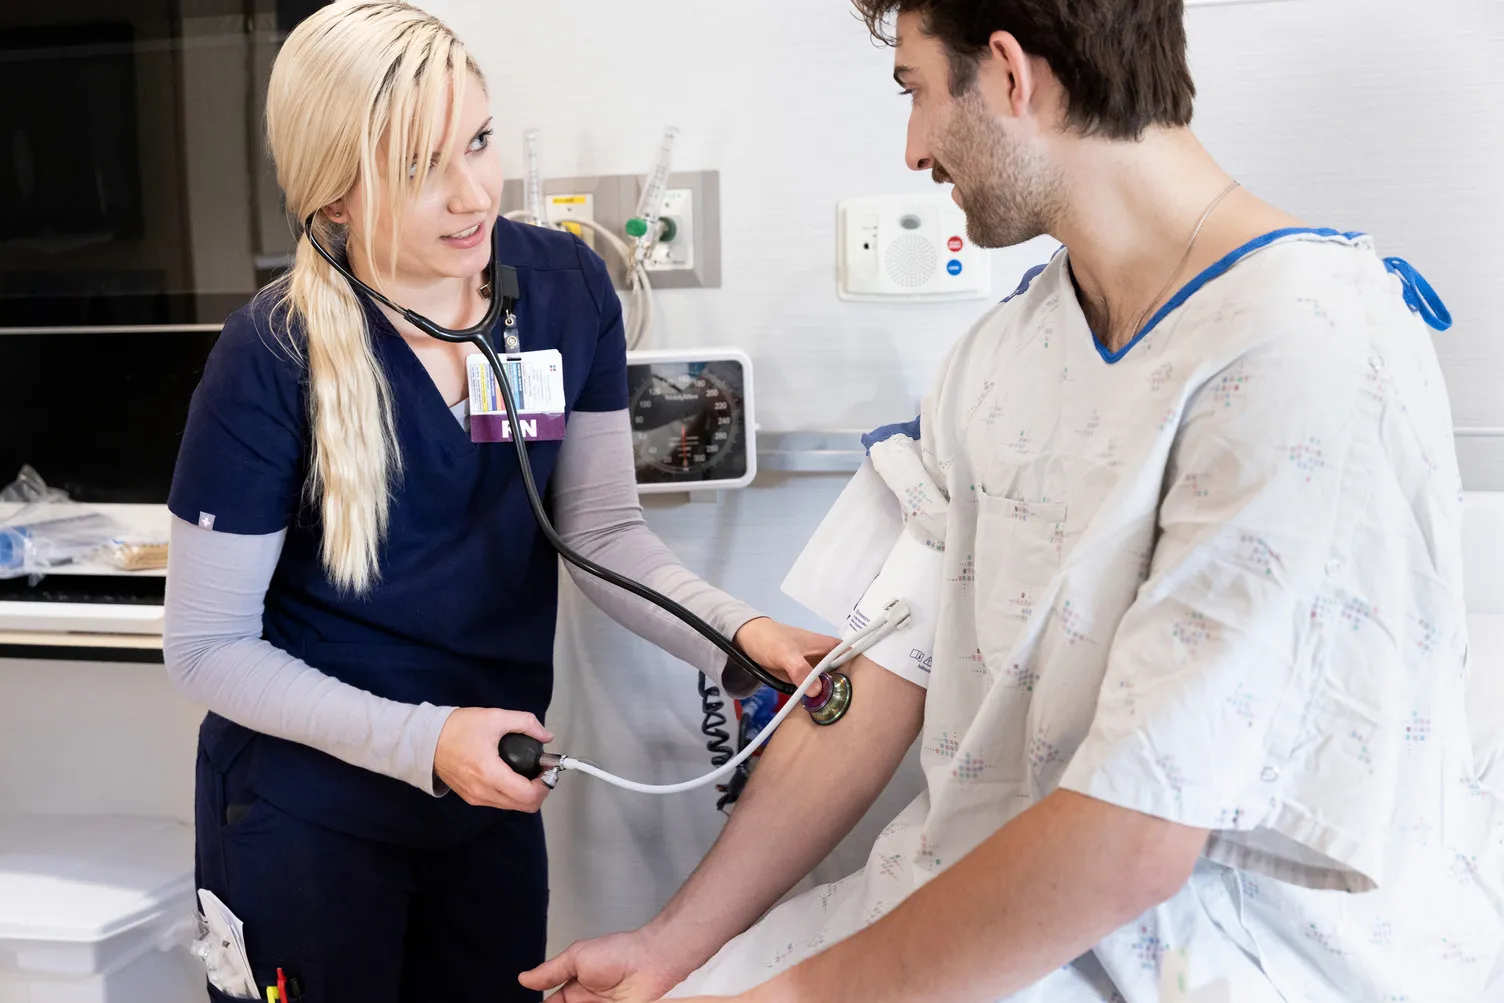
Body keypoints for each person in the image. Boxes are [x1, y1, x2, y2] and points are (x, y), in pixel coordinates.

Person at [521, 1, 1503, 1000]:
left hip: (1224, 948)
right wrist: (674, 947)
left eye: (914, 91)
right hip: (969, 891)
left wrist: (786, 997)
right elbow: (880, 676)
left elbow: (1140, 830)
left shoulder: (1306, 347)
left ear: (1005, 73)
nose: (911, 150)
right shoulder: (999, 356)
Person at [160, 3, 833, 1000]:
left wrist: (742, 641)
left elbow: (602, 534)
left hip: (486, 803)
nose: (472, 192)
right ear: (335, 195)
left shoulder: (564, 293)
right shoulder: (272, 356)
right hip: (309, 814)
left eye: (476, 141)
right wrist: (424, 741)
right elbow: (207, 648)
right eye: (420, 166)